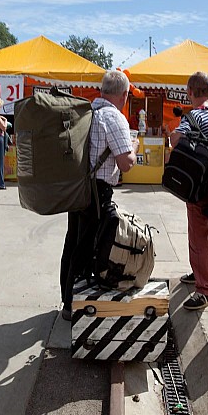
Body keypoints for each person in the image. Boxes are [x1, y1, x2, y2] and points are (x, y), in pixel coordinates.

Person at [59, 70, 137, 320]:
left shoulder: (86, 112)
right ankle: (74, 306)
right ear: (124, 94)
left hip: (77, 185)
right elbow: (125, 163)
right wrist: (134, 147)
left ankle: (66, 298)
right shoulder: (114, 118)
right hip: (97, 189)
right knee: (88, 245)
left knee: (73, 240)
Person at [170, 71, 208, 311]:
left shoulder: (193, 116)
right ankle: (204, 270)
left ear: (190, 91)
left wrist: (172, 134)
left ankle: (205, 289)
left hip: (198, 186)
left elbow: (176, 141)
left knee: (198, 236)